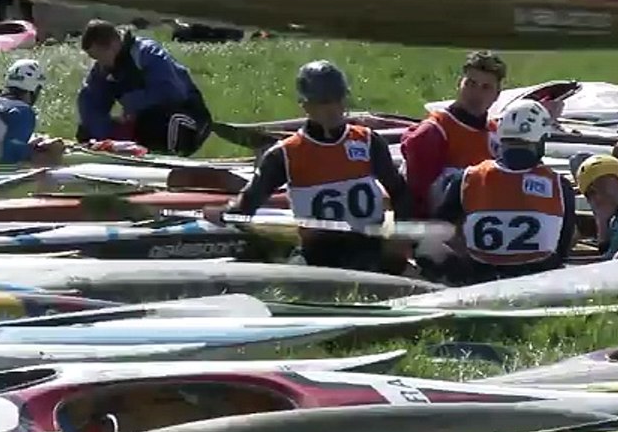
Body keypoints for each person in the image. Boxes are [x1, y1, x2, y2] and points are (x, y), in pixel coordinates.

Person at [209, 60, 414, 273]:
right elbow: (248, 204)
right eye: (323, 102)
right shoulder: (284, 154)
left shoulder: (368, 141)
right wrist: (224, 213)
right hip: (318, 254)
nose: (333, 109)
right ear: (306, 106)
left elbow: (400, 193)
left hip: (369, 249)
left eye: (337, 99)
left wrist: (399, 236)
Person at [427, 99, 578, 284]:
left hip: (478, 280)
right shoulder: (559, 185)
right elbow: (563, 248)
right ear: (541, 139)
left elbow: (435, 234)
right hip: (538, 281)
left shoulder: (467, 178)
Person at [76, 19, 212, 156]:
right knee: (87, 131)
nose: (99, 63)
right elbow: (91, 105)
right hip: (141, 122)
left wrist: (133, 106)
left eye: (100, 56)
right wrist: (103, 140)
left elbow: (171, 93)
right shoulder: (103, 69)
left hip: (186, 118)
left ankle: (165, 157)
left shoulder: (146, 53)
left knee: (152, 122)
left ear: (114, 44)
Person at [400, 51, 505, 218]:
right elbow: (417, 200)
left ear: (497, 95)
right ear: (459, 84)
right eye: (470, 84)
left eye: (486, 87)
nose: (476, 93)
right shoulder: (433, 132)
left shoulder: (497, 133)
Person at [0, 59, 65, 165]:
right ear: (34, 89)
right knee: (55, 147)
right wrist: (42, 147)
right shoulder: (22, 111)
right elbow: (12, 155)